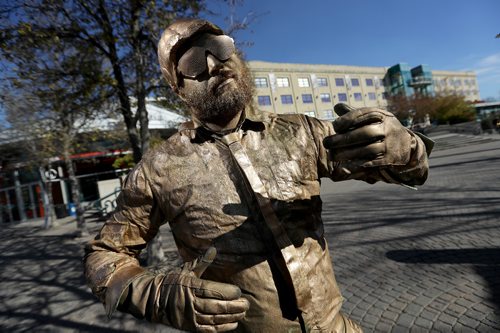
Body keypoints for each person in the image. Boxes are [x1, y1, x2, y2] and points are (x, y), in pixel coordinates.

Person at [84, 18, 433, 333]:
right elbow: (104, 257)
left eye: (219, 48)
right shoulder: (159, 168)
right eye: (192, 62)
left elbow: (409, 172)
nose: (213, 64)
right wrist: (161, 297)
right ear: (178, 89)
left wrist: (406, 147)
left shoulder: (302, 132)